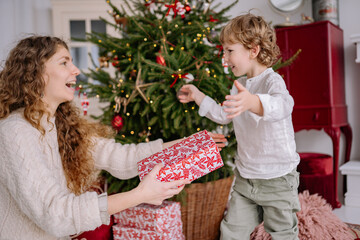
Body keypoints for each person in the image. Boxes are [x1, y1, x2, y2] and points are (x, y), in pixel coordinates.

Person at [0, 35, 225, 240]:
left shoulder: (61, 124)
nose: (76, 70)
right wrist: (141, 194)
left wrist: (187, 145)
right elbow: (56, 215)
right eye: (64, 62)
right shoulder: (16, 131)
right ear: (36, 72)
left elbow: (121, 158)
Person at [178, 13, 301, 240]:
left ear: (253, 50)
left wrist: (253, 102)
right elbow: (223, 114)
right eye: (224, 51)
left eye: (230, 51)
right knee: (232, 231)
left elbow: (284, 105)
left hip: (277, 178)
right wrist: (198, 96)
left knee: (283, 233)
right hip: (246, 178)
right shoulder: (240, 86)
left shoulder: (272, 81)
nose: (224, 58)